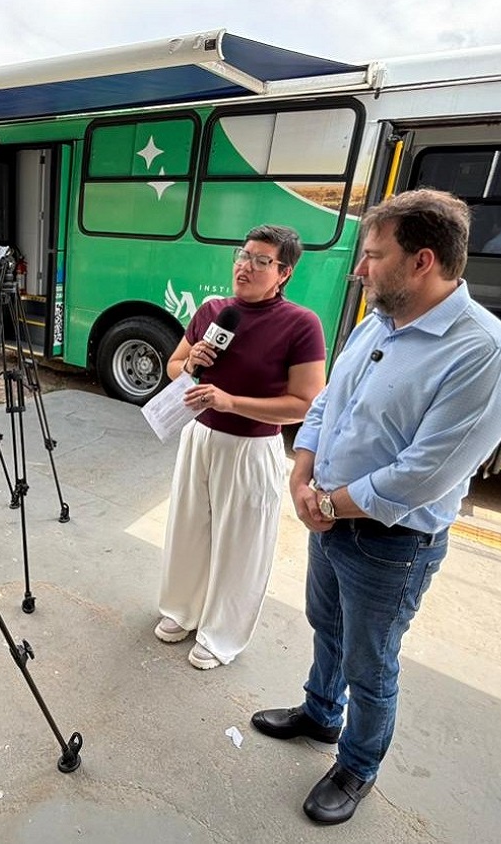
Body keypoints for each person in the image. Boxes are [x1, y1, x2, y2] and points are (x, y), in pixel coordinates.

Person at [250, 189, 501, 824]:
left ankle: (357, 765)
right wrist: (302, 475)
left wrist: (324, 500)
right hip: (329, 518)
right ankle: (320, 714)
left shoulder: (483, 353)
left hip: (392, 542)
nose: (360, 268)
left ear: (421, 260)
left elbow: (423, 475)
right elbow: (326, 407)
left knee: (370, 664)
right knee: (327, 626)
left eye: (374, 256)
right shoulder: (379, 319)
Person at [154, 225, 326, 670]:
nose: (245, 266)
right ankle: (181, 610)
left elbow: (305, 404)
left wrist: (233, 402)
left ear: (283, 272)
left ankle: (221, 634)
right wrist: (191, 363)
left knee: (240, 544)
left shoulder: (301, 324)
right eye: (242, 255)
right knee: (188, 527)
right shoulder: (213, 310)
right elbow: (175, 366)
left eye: (261, 260)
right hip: (199, 436)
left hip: (251, 448)